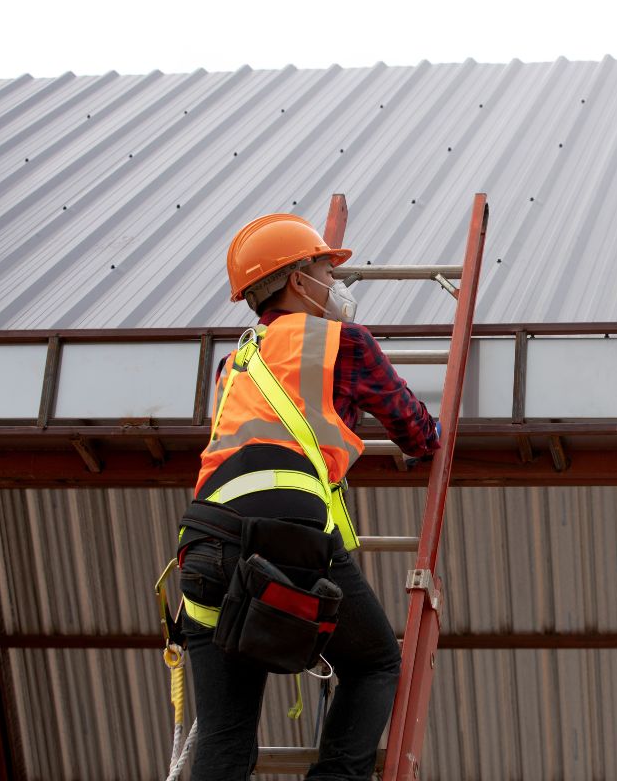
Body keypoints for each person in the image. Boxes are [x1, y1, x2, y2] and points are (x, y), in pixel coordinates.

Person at [177, 213, 440, 780]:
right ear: (299, 279)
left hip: (202, 549)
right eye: (326, 268)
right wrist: (427, 442)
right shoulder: (341, 344)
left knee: (224, 740)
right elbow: (417, 431)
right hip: (285, 537)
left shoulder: (234, 364)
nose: (336, 283)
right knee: (375, 663)